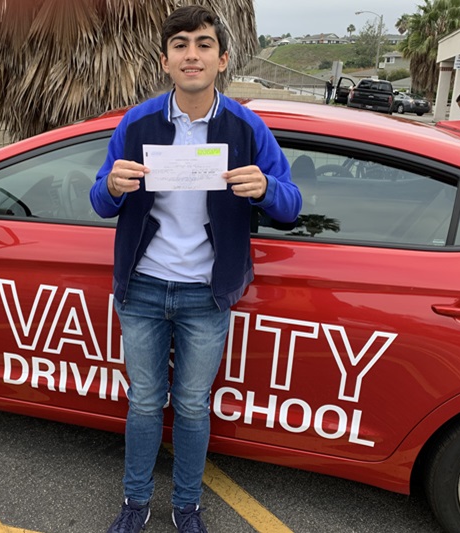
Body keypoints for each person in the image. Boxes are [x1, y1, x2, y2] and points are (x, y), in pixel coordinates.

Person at [89, 5, 302, 533]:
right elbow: (100, 200)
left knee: (190, 406)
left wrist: (267, 190)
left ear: (222, 59)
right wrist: (112, 185)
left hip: (206, 294)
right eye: (181, 45)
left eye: (204, 44)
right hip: (141, 288)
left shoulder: (248, 128)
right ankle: (135, 504)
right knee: (142, 403)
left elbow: (292, 204)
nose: (192, 54)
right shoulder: (136, 124)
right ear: (165, 61)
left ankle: (188, 507)